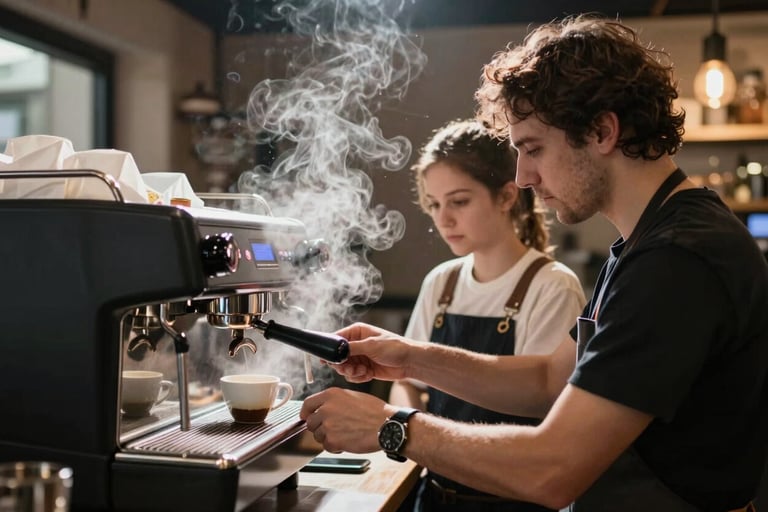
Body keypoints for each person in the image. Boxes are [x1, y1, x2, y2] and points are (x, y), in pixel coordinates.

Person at [300, 14, 768, 512]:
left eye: (533, 149)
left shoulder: (677, 260)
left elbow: (554, 468)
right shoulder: (645, 244)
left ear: (602, 131)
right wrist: (409, 357)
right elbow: (549, 379)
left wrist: (391, 427)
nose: (523, 177)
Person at [389, 118, 586, 511]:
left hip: (513, 502)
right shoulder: (440, 282)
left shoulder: (552, 287)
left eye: (459, 201)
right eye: (434, 204)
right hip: (435, 495)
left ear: (507, 196)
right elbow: (406, 382)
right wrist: (404, 423)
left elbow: (546, 402)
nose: (443, 219)